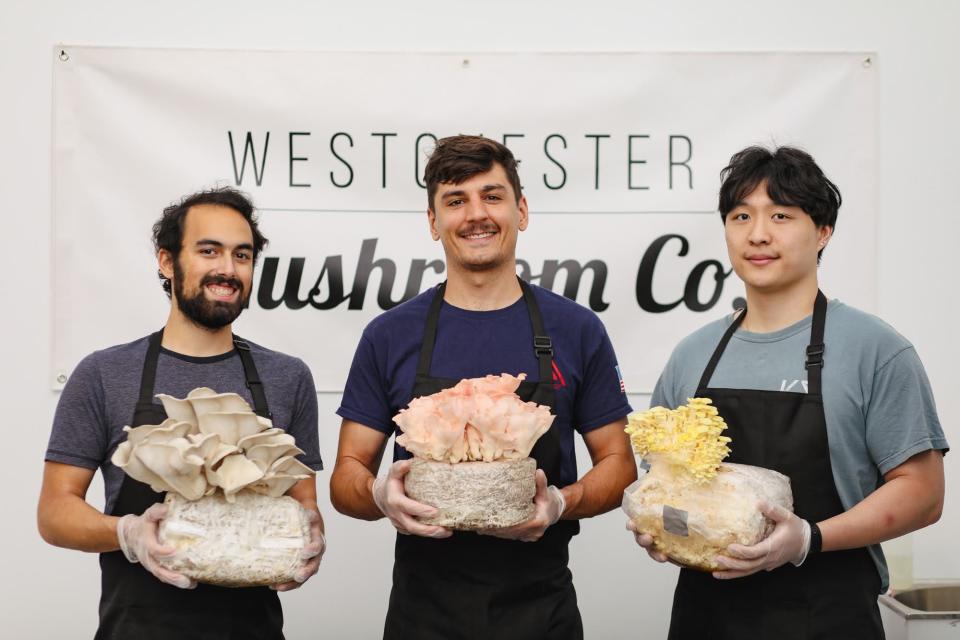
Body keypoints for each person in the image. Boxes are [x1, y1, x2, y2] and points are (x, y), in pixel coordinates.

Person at [630, 145, 948, 638]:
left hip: (828, 615)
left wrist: (807, 538)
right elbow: (663, 486)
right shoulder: (693, 354)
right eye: (741, 216)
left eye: (781, 215)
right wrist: (666, 528)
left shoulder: (875, 350)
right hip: (706, 619)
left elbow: (923, 495)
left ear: (823, 231)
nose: (758, 234)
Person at [330, 135, 636, 639]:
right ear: (433, 222)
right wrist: (380, 495)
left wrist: (561, 503)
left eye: (492, 196)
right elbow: (346, 475)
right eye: (456, 201)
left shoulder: (576, 330)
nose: (477, 214)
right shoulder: (389, 336)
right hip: (423, 613)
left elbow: (619, 464)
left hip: (541, 608)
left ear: (522, 210)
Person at [38, 187, 325, 639]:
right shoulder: (103, 373)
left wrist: (305, 545)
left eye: (242, 255)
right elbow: (55, 512)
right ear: (167, 261)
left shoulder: (287, 377)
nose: (227, 269)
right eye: (208, 251)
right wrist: (128, 533)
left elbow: (305, 507)